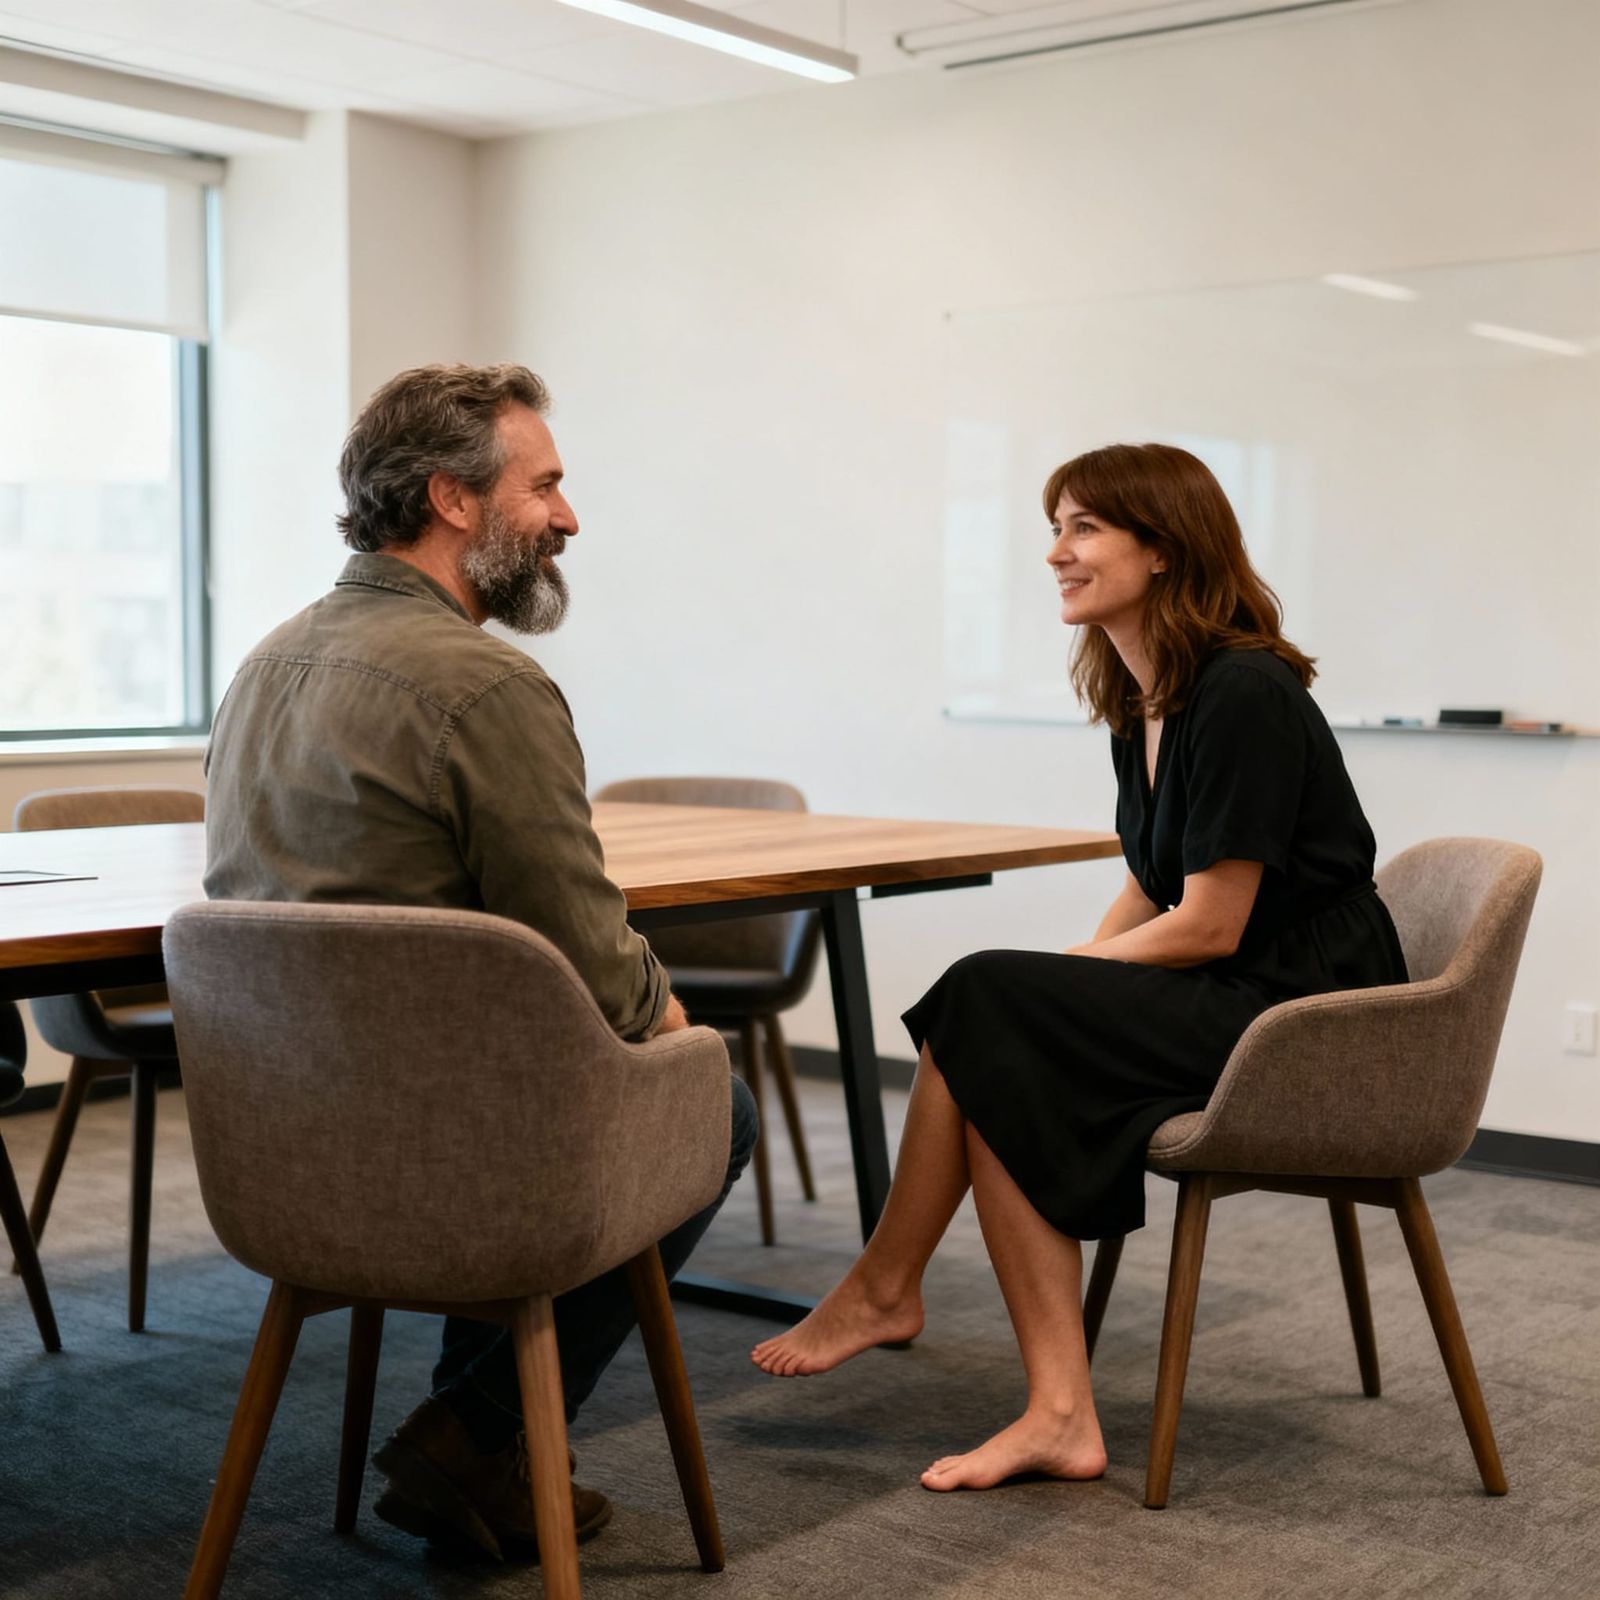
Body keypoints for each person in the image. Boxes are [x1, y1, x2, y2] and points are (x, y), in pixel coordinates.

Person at [750, 442, 1407, 1492]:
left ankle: (888, 1284)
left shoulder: (1242, 692)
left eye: (1081, 527)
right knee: (1007, 1026)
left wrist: (1068, 974)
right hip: (1234, 982)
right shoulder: (1143, 698)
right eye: (1053, 527)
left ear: (1161, 547)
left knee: (995, 1000)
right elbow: (1154, 887)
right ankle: (1053, 1411)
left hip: (1303, 1011)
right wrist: (1073, 970)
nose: (1054, 552)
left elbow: (1208, 926)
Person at [203, 362, 757, 1561]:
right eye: (545, 485)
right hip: (452, 1154)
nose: (567, 516)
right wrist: (681, 1042)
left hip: (285, 1144)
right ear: (454, 501)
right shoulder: (487, 682)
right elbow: (595, 965)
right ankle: (474, 1436)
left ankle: (486, 1452)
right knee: (724, 1104)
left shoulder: (261, 663)